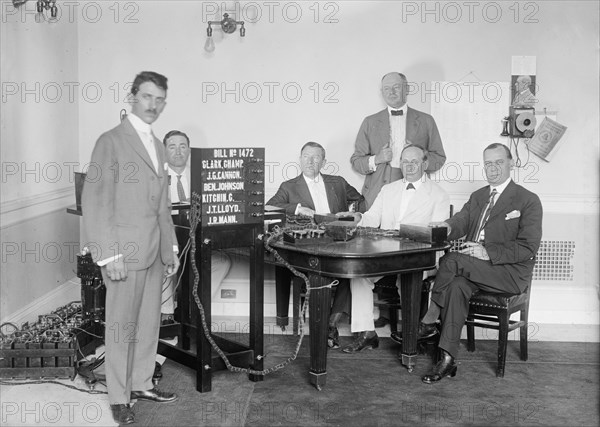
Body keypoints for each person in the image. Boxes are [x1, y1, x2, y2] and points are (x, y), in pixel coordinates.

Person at [82, 71, 179, 425]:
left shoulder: (156, 144)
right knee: (121, 328)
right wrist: (109, 254)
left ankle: (140, 382)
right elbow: (95, 200)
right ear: (133, 96)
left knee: (148, 324)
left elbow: (162, 205)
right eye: (147, 97)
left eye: (159, 99)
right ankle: (119, 396)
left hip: (154, 252)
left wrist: (170, 248)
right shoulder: (110, 141)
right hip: (123, 252)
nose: (153, 105)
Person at [417, 143, 542, 384]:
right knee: (455, 287)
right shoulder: (478, 196)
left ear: (511, 163)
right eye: (488, 163)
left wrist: (487, 252)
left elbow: (528, 247)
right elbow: (461, 221)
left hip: (509, 273)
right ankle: (447, 358)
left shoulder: (528, 200)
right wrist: (444, 226)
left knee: (452, 259)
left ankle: (428, 320)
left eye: (498, 162)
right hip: (475, 269)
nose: (492, 168)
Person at [342, 145, 449, 353]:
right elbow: (373, 217)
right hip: (387, 254)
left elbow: (437, 234)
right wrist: (359, 219)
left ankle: (412, 338)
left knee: (407, 278)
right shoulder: (388, 189)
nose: (409, 166)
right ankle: (367, 333)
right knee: (359, 275)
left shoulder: (439, 194)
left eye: (414, 162)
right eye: (405, 161)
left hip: (420, 257)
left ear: (425, 164)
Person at [267, 141, 364, 348]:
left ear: (324, 161)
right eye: (306, 157)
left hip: (338, 241)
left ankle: (331, 324)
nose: (311, 161)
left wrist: (353, 212)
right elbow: (269, 207)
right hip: (308, 245)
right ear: (300, 159)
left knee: (347, 271)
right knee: (324, 271)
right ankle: (328, 326)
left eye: (316, 157)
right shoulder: (289, 186)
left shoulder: (337, 182)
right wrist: (297, 208)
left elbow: (360, 201)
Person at [161, 130, 231, 326]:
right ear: (164, 150)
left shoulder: (201, 176)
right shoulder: (154, 177)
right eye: (172, 146)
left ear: (189, 150)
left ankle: (194, 307)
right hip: (167, 236)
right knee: (165, 261)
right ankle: (166, 315)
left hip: (195, 235)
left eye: (183, 146)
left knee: (222, 262)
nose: (178, 151)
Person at [351, 72, 446, 210]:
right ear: (381, 92)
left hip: (416, 193)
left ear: (406, 89)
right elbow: (357, 162)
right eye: (387, 88)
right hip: (376, 195)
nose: (391, 92)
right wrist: (377, 159)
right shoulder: (369, 122)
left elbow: (439, 158)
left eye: (396, 87)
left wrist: (419, 155)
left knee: (412, 231)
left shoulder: (426, 121)